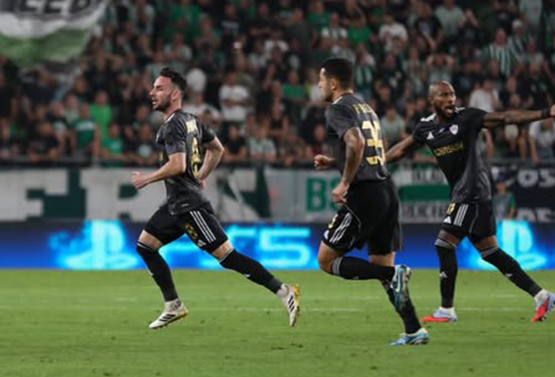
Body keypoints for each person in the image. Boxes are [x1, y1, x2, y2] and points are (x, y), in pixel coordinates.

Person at [386, 81, 555, 323]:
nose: (450, 99)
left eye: (452, 94)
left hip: (472, 192)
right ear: (431, 100)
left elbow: (506, 118)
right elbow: (401, 150)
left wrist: (546, 112)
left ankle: (446, 310)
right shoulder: (426, 127)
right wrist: (377, 162)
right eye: (443, 95)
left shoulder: (467, 118)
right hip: (467, 193)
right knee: (491, 252)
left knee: (444, 244)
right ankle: (542, 296)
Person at [131, 68, 299, 329]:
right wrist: (201, 175)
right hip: (176, 204)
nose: (152, 93)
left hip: (189, 206)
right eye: (153, 87)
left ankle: (284, 290)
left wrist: (148, 178)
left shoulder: (172, 126)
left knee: (227, 257)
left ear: (175, 94)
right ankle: (173, 304)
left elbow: (178, 164)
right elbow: (217, 149)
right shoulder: (191, 120)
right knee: (145, 246)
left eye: (159, 88)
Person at [312, 58, 428, 346]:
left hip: (364, 194)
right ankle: (414, 329)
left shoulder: (337, 108)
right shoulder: (366, 108)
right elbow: (374, 150)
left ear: (333, 83)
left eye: (321, 80)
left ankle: (395, 273)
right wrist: (335, 161)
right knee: (380, 262)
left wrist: (344, 181)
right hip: (386, 188)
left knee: (326, 260)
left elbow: (356, 143)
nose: (318, 85)